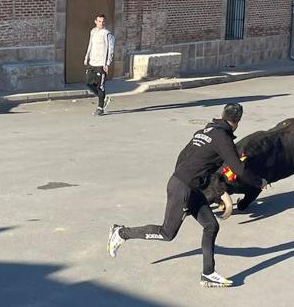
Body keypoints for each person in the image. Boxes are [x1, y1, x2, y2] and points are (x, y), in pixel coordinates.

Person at [106, 103, 267, 288]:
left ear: (222, 115)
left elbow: (183, 155)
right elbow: (238, 168)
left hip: (188, 186)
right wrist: (258, 182)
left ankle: (208, 274)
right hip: (183, 188)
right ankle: (120, 232)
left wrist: (190, 181)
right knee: (166, 233)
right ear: (237, 122)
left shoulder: (203, 131)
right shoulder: (223, 138)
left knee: (211, 226)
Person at [84, 14, 114, 116]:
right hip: (92, 62)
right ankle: (103, 98)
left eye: (103, 22)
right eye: (99, 21)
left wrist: (107, 64)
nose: (101, 23)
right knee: (89, 83)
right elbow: (90, 45)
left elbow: (111, 50)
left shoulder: (107, 34)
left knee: (100, 86)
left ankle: (100, 108)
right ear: (95, 21)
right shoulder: (93, 31)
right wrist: (86, 57)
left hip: (101, 64)